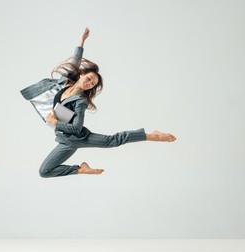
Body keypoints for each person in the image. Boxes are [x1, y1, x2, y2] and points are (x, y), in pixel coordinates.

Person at [21, 27, 176, 177]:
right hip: (64, 141)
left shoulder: (80, 102)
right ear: (81, 75)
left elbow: (76, 128)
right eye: (89, 79)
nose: (89, 83)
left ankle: (150, 135)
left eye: (92, 84)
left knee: (112, 140)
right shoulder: (64, 84)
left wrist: (55, 122)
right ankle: (80, 169)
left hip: (78, 137)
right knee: (44, 171)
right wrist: (82, 42)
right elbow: (75, 62)